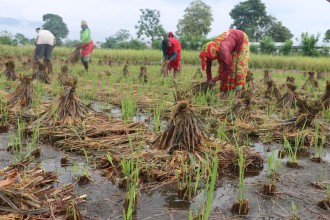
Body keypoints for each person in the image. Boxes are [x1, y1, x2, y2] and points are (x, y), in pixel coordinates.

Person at [199, 29, 250, 99]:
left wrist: (214, 80)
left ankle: (239, 92)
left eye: (209, 58)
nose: (209, 60)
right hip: (230, 42)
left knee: (238, 66)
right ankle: (226, 91)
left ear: (214, 53)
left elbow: (229, 69)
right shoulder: (211, 49)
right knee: (223, 67)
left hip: (241, 39)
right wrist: (208, 83)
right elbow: (208, 68)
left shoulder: (223, 50)